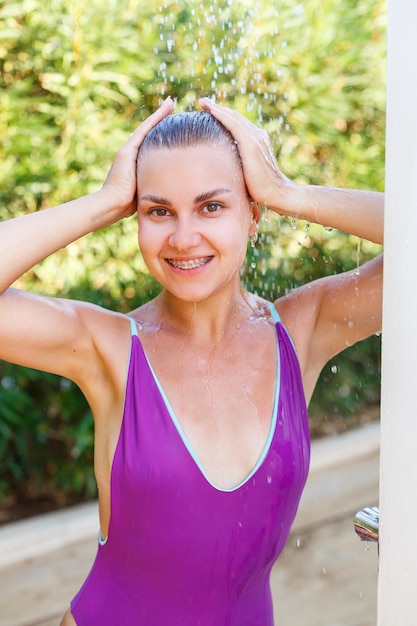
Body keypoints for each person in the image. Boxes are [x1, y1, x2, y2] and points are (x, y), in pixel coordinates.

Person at [0, 96, 383, 625]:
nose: (183, 238)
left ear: (253, 215)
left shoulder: (302, 330)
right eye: (159, 210)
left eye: (211, 206)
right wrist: (102, 202)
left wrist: (287, 191)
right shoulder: (106, 347)